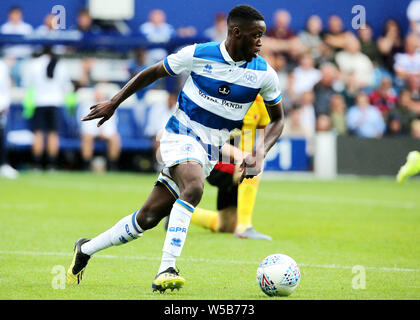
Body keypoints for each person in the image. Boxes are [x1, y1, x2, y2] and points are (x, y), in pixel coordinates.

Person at [66, 5, 284, 293]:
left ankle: (86, 249)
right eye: (256, 35)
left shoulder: (264, 74)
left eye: (262, 36)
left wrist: (260, 152)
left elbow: (278, 120)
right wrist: (115, 101)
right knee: (193, 189)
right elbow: (154, 71)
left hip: (209, 150)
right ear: (236, 32)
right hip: (179, 134)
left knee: (147, 218)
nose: (261, 41)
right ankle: (166, 268)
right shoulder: (198, 54)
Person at [190, 94, 272, 240]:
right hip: (217, 160)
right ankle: (245, 228)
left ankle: (176, 212)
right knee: (254, 166)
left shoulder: (260, 100)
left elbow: (264, 129)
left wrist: (259, 151)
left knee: (225, 226)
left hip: (239, 164)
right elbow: (209, 137)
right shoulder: (224, 97)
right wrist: (243, 155)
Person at [22, 47, 72, 170]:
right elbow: (67, 86)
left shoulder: (34, 64)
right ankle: (51, 164)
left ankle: (37, 164)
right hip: (55, 102)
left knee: (38, 133)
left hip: (39, 102)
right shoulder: (60, 65)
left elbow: (27, 83)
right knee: (53, 134)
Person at [78, 84, 121, 171]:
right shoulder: (86, 106)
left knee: (115, 138)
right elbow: (85, 124)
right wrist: (97, 131)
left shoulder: (111, 107)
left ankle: (112, 166)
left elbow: (112, 124)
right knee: (86, 137)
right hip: (91, 132)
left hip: (105, 133)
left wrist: (104, 132)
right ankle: (86, 166)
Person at [0, 58, 19, 179]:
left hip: (1, 107)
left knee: (1, 136)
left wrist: (4, 104)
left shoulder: (2, 66)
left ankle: (3, 164)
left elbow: (4, 88)